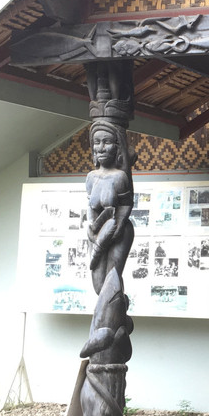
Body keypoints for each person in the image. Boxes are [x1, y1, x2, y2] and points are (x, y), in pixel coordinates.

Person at [86, 120, 135, 293]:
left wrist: (120, 224)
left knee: (111, 282)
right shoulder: (91, 177)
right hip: (97, 233)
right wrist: (91, 227)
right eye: (97, 142)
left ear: (117, 147)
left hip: (118, 231)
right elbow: (91, 206)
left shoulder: (119, 177)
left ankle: (116, 308)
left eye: (106, 142)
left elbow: (127, 203)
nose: (101, 147)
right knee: (98, 286)